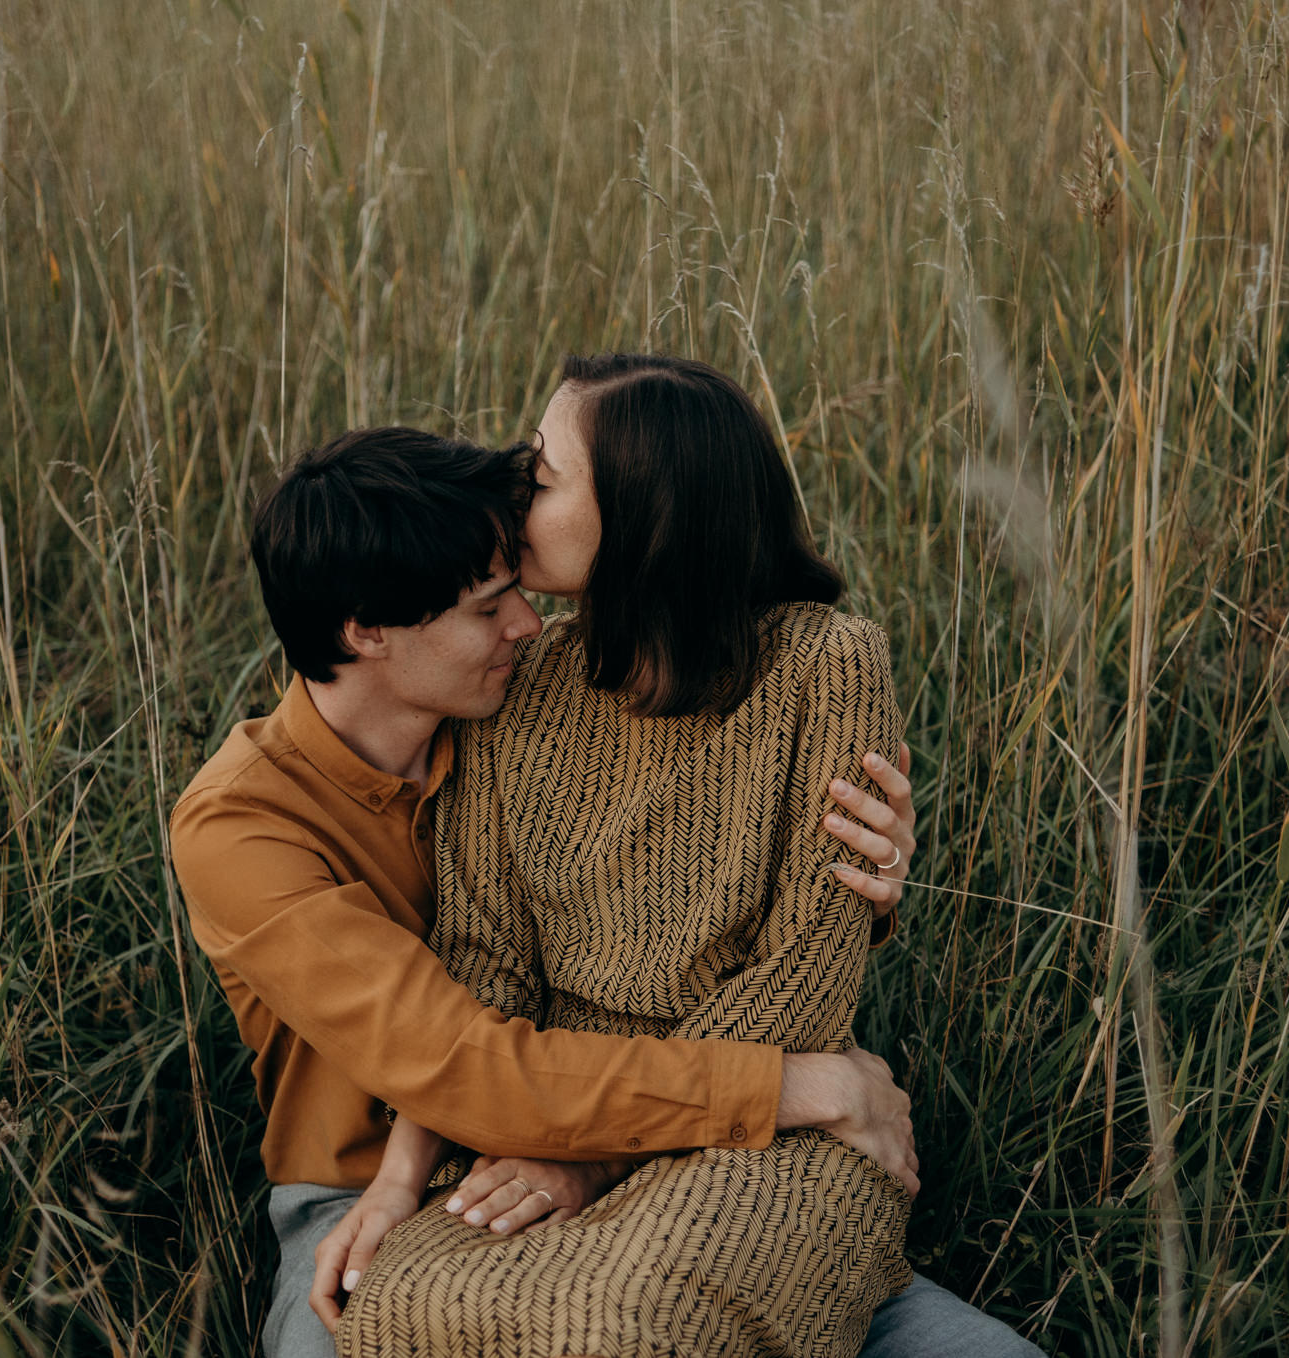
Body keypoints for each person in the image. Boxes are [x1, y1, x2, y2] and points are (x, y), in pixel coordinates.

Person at [321, 356, 1044, 1358]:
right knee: (399, 1312)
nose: (515, 493)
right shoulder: (515, 679)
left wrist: (592, 1160)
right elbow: (485, 962)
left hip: (771, 1127)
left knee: (635, 1327)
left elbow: (805, 976)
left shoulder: (825, 664)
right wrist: (429, 1174)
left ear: (648, 509)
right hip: (548, 1117)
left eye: (546, 473)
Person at [168, 425, 924, 1358]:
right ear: (366, 630)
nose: (527, 625)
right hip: (376, 1198)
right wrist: (793, 1084)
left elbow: (695, 872)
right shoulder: (242, 827)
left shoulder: (511, 709)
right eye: (490, 607)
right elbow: (472, 1069)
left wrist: (859, 879)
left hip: (689, 1165)